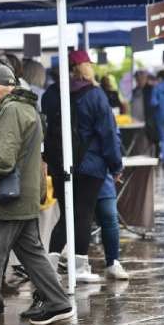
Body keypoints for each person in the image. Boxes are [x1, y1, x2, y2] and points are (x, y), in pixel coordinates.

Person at [0, 64, 73, 325]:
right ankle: (57, 302)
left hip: (9, 196)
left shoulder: (10, 110)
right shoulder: (26, 107)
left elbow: (6, 158)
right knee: (32, 253)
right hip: (25, 193)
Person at [42, 50, 123, 283]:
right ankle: (79, 267)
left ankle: (50, 265)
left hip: (59, 164)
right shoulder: (95, 95)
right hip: (90, 166)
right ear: (85, 67)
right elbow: (108, 134)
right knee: (83, 214)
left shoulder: (51, 93)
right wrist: (115, 165)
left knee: (66, 215)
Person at [95, 174, 129, 280]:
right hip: (77, 175)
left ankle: (113, 263)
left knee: (109, 217)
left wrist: (116, 167)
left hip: (102, 178)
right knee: (80, 220)